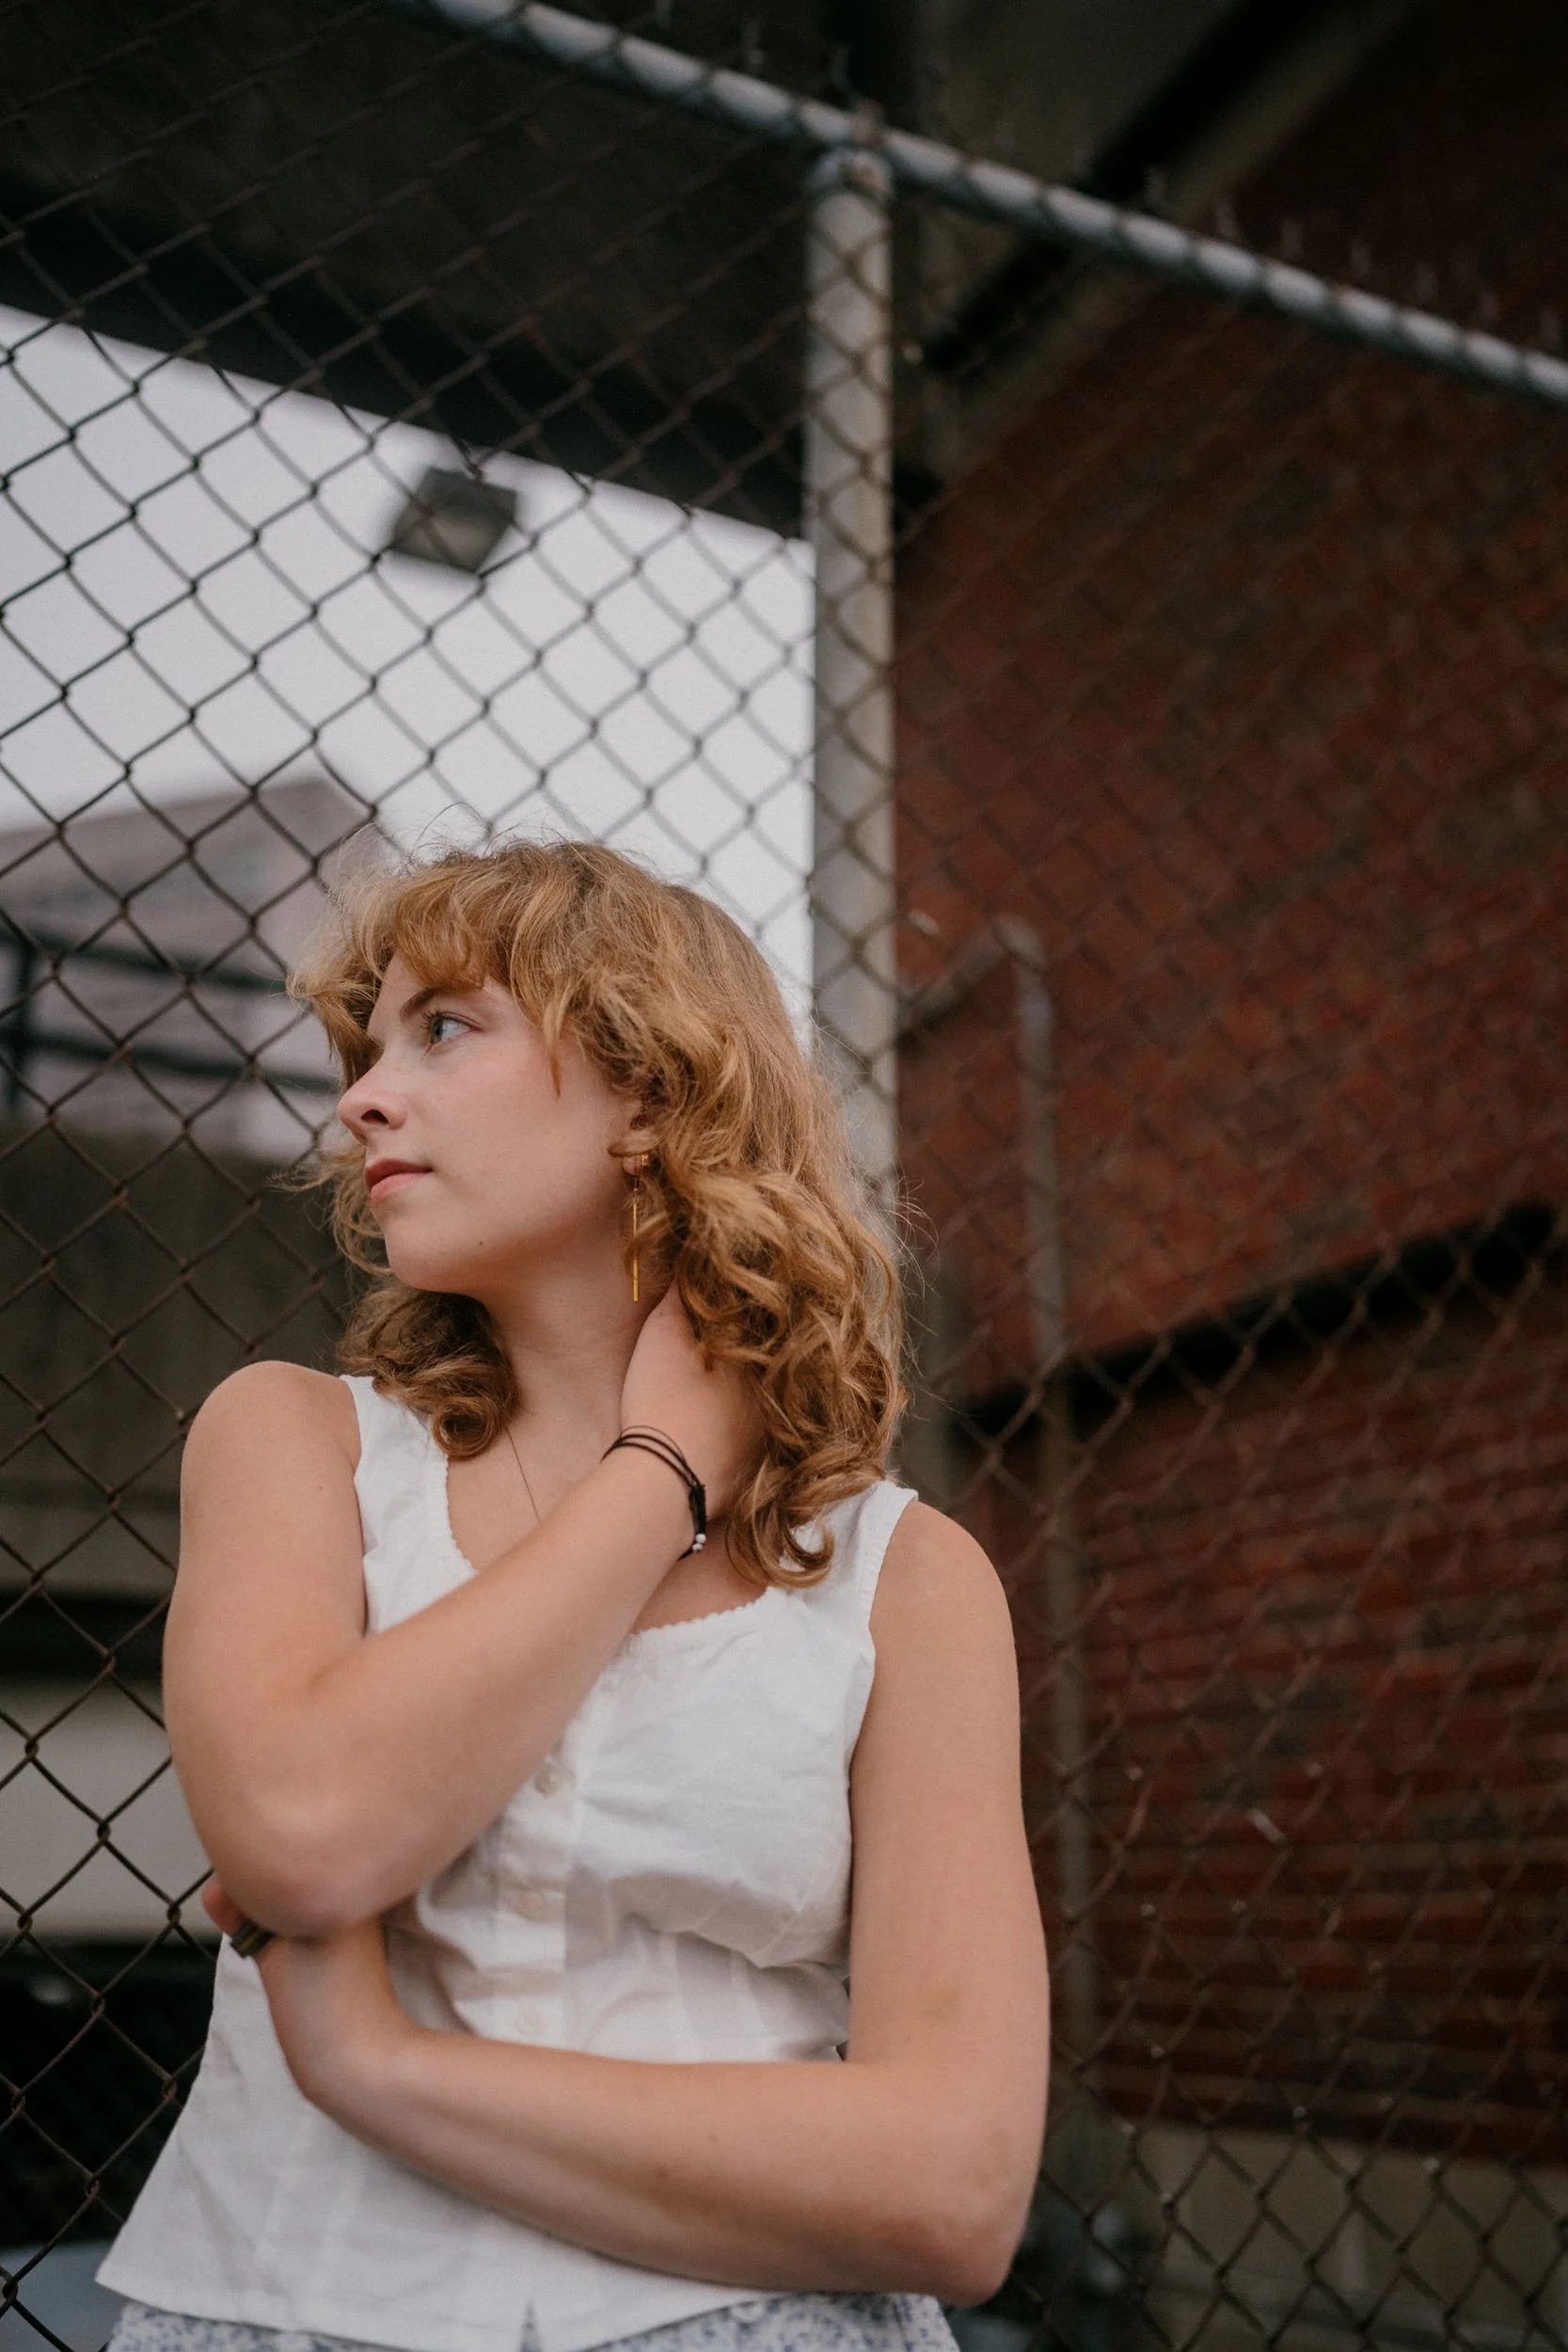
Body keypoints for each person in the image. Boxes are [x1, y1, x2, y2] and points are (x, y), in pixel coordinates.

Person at [97, 839, 1050, 2352]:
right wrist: (659, 1470)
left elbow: (952, 2191)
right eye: (369, 1045)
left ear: (651, 1095)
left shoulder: (906, 1578)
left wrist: (378, 2070)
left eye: (445, 1028)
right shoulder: (293, 1442)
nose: (360, 1097)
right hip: (284, 2308)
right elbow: (303, 1838)